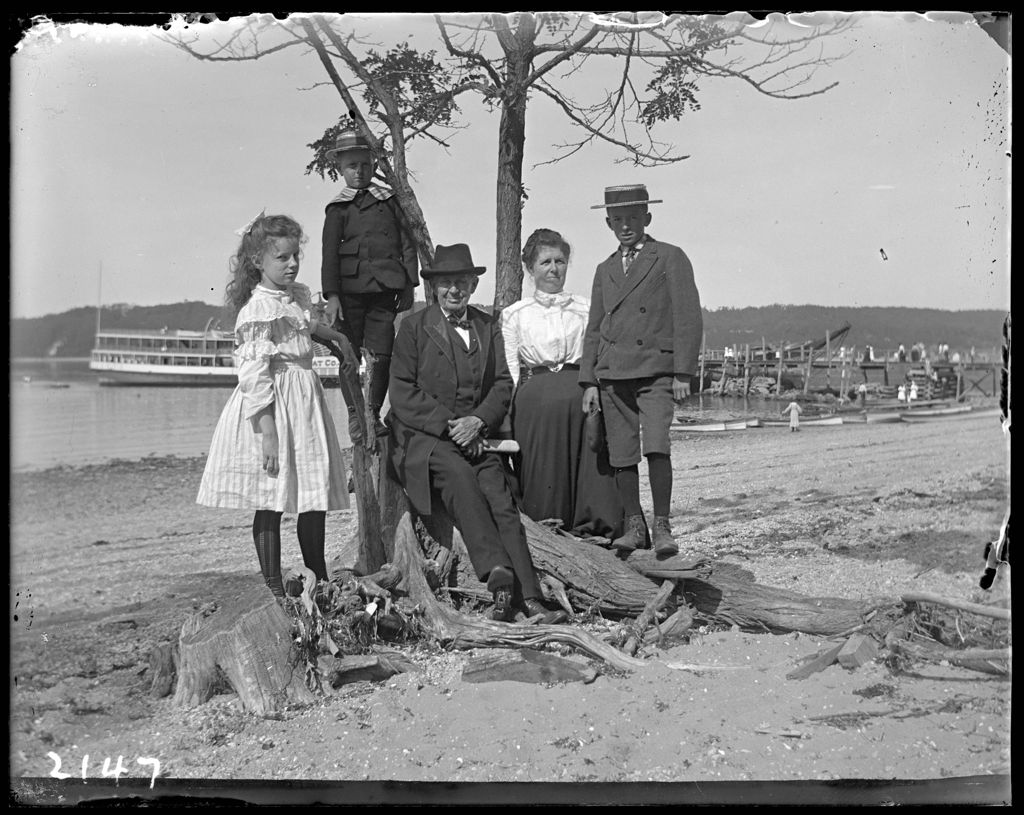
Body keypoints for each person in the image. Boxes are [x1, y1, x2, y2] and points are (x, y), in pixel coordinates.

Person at [387, 243, 567, 625]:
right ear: (433, 287)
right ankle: (499, 581)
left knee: (500, 496)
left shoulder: (488, 325)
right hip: (427, 437)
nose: (454, 290)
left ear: (472, 284)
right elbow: (402, 391)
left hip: (477, 435)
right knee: (459, 479)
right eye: (446, 283)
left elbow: (503, 384)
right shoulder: (413, 329)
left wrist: (479, 422)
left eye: (462, 282)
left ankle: (530, 598)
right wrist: (449, 425)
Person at [197, 213, 352, 598]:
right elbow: (253, 374)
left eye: (295, 255)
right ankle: (273, 588)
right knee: (270, 500)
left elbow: (305, 326)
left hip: (304, 400)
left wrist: (334, 335)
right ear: (258, 262)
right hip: (273, 407)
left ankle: (318, 577)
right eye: (282, 258)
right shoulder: (256, 311)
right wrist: (267, 431)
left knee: (311, 495)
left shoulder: (294, 297)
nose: (292, 264)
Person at [580, 184, 703, 557]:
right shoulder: (604, 269)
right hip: (613, 375)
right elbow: (595, 327)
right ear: (608, 223)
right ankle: (635, 526)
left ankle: (662, 525)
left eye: (633, 217)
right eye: (618, 219)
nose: (626, 225)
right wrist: (588, 380)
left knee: (656, 446)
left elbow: (688, 316)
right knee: (622, 452)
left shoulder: (669, 257)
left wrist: (682, 372)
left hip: (656, 372)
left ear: (647, 218)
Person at [500, 228, 623, 540]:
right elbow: (511, 368)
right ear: (530, 269)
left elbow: (601, 354)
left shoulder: (586, 308)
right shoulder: (515, 314)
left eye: (560, 261)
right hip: (535, 401)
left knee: (594, 465)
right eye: (545, 262)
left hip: (583, 392)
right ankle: (548, 530)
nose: (554, 269)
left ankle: (597, 532)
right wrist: (507, 414)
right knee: (542, 470)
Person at [321, 125, 419, 437]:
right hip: (349, 295)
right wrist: (332, 297)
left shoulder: (389, 201)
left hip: (384, 291)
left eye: (365, 165)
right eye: (352, 166)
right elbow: (329, 256)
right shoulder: (338, 209)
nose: (359, 172)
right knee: (348, 353)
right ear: (340, 169)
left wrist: (408, 284)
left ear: (374, 166)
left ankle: (373, 413)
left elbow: (407, 243)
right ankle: (354, 413)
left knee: (383, 354)